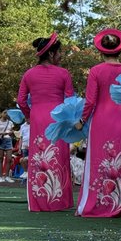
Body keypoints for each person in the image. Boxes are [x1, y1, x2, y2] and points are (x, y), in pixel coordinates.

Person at [75, 29, 121, 217]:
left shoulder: (96, 71)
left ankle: (95, 203)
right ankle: (118, 204)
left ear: (101, 51)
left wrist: (82, 120)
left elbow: (90, 101)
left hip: (100, 121)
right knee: (119, 160)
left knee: (98, 160)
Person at [17, 33, 75, 211]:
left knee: (39, 156)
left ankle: (39, 200)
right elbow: (70, 100)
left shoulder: (29, 74)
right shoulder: (63, 73)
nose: (61, 56)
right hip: (58, 118)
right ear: (50, 54)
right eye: (59, 52)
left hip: (37, 117)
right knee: (59, 156)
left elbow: (21, 100)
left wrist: (28, 114)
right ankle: (59, 200)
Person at [0, 110, 15, 184]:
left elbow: (12, 135)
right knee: (1, 158)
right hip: (0, 140)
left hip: (8, 140)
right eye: (4, 113)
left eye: (7, 113)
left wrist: (12, 133)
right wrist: (3, 133)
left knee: (9, 159)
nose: (6, 114)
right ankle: (1, 176)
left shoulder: (10, 122)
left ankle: (7, 176)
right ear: (1, 114)